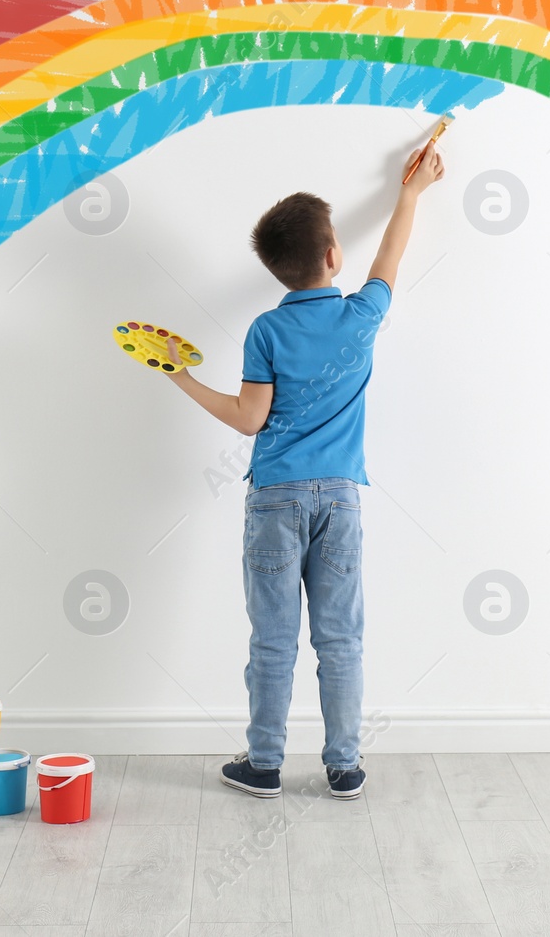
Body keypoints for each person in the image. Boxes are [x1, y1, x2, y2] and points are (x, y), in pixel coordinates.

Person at [157, 143, 446, 799]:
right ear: (334, 255)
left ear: (277, 269)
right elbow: (391, 257)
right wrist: (411, 191)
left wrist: (180, 374)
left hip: (275, 502)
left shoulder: (265, 329)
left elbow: (248, 419)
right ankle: (344, 766)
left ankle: (264, 764)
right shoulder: (360, 316)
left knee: (274, 641)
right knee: (340, 638)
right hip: (341, 501)